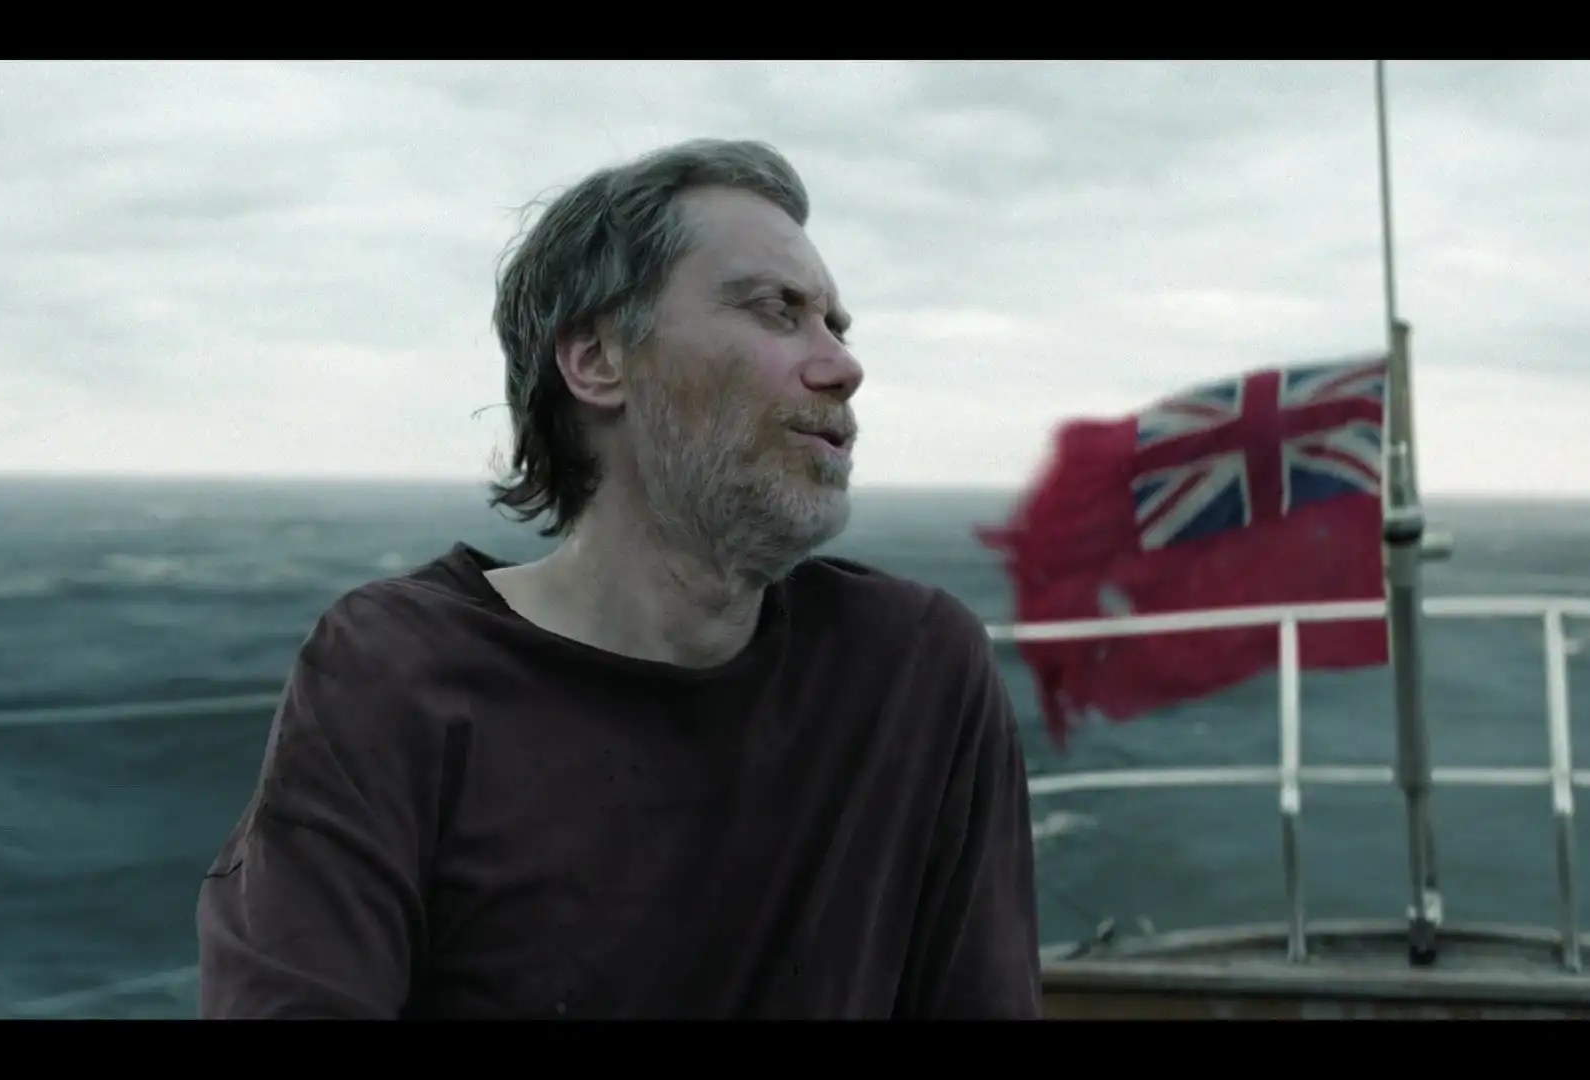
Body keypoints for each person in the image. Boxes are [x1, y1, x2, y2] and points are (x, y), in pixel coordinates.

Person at [194, 138, 1042, 1019]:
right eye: (776, 310)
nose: (842, 365)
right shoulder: (396, 674)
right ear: (598, 360)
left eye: (837, 325)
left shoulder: (912, 670)